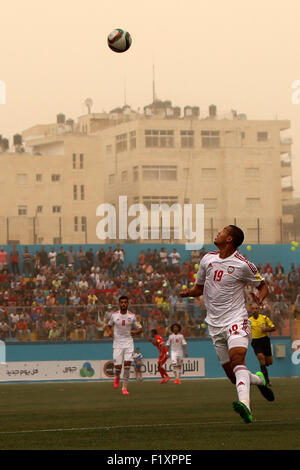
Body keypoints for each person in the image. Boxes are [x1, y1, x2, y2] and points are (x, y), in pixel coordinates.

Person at [180, 225, 274, 424]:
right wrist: (189, 293)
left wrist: (260, 297)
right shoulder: (207, 259)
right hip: (214, 325)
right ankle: (258, 380)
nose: (218, 233)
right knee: (233, 376)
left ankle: (245, 406)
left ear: (230, 239)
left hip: (236, 320)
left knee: (237, 358)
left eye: (222, 231)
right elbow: (199, 288)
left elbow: (263, 285)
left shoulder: (243, 264)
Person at [106, 296, 143, 395]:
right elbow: (108, 326)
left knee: (127, 366)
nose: (123, 304)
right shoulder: (114, 315)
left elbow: (140, 328)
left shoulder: (132, 316)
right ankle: (117, 377)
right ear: (119, 303)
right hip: (117, 343)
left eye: (125, 302)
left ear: (128, 304)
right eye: (121, 302)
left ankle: (124, 388)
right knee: (117, 368)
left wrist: (135, 332)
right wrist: (109, 332)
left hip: (128, 343)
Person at [249, 303, 276, 385]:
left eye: (256, 309)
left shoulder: (264, 318)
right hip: (256, 342)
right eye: (253, 309)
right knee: (261, 358)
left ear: (259, 310)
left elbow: (273, 328)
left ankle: (265, 365)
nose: (254, 310)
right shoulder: (249, 321)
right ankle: (266, 380)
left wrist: (266, 329)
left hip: (265, 340)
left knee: (269, 362)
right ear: (251, 310)